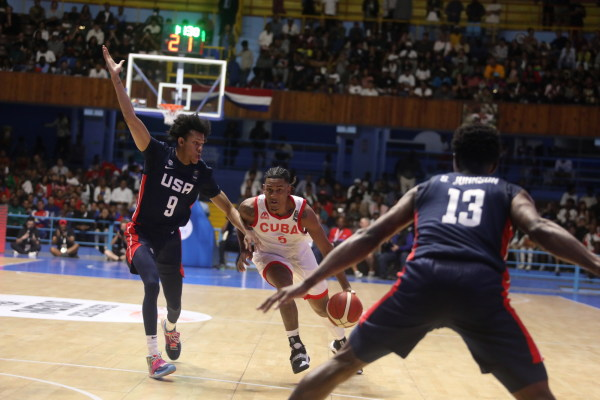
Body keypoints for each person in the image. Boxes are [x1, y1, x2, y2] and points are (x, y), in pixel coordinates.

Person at [259, 123, 600, 400]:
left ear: (454, 159)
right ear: (495, 163)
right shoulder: (508, 191)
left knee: (340, 365)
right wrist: (596, 264)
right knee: (537, 391)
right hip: (481, 291)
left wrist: (306, 283)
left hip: (421, 284)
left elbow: (368, 237)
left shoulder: (428, 187)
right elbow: (540, 229)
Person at [102, 45, 258, 380]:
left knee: (174, 305)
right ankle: (153, 357)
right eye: (197, 143)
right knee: (151, 282)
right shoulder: (157, 153)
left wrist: (244, 230)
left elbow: (228, 206)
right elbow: (131, 117)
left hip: (171, 238)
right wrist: (117, 80)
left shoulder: (201, 172)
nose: (201, 148)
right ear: (181, 141)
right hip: (140, 232)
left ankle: (171, 326)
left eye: (203, 143)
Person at [236, 166, 358, 375]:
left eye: (279, 190)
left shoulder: (304, 213)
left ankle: (340, 343)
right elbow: (240, 224)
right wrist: (243, 250)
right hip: (268, 253)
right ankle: (297, 348)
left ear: (289, 190)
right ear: (263, 188)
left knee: (322, 307)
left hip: (299, 251)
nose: (273, 195)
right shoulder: (250, 207)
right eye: (269, 190)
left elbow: (327, 249)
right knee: (285, 289)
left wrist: (345, 285)